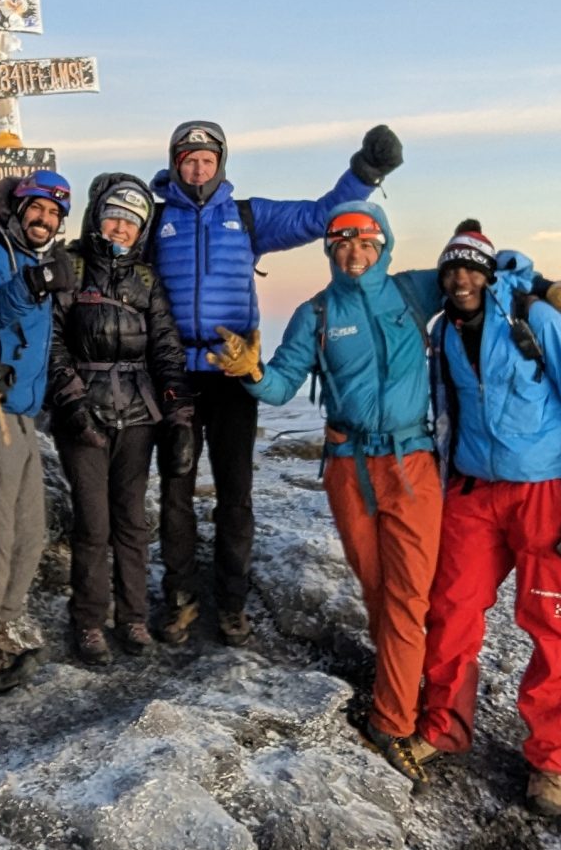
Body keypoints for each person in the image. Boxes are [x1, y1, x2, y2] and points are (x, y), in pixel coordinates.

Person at [149, 118, 406, 646]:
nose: (198, 168)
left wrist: (366, 172)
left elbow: (318, 216)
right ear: (175, 163)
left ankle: (232, 604)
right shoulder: (156, 221)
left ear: (220, 164)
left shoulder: (246, 217)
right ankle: (180, 597)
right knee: (175, 489)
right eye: (188, 159)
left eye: (207, 160)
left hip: (233, 373)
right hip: (174, 375)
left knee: (235, 492)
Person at [212, 202, 444, 785]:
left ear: (383, 244)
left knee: (408, 595)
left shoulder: (414, 291)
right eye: (342, 244)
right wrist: (251, 371)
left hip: (411, 462)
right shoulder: (315, 313)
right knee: (376, 587)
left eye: (365, 242)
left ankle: (392, 721)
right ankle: (398, 681)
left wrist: (544, 284)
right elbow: (281, 384)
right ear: (330, 251)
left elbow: (477, 275)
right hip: (348, 466)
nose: (354, 253)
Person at [413, 221, 561, 817]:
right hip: (475, 493)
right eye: (451, 269)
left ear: (490, 273)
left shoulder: (537, 322)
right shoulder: (445, 332)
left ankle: (551, 761)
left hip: (543, 495)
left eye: (471, 268)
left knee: (549, 624)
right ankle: (444, 726)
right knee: (449, 609)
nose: (460, 279)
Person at [46, 173, 190, 662]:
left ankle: (132, 618)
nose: (121, 227)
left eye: (131, 221)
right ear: (97, 217)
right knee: (92, 524)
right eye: (114, 216)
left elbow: (167, 350)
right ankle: (88, 621)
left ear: (142, 229)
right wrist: (71, 401)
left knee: (131, 521)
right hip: (83, 411)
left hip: (137, 413)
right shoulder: (71, 266)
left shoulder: (146, 281)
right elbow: (53, 340)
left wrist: (178, 414)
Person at [0, 168, 77, 687]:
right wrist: (31, 285)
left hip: (25, 414)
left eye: (54, 212)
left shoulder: (37, 261)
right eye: (37, 207)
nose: (44, 218)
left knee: (30, 534)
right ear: (18, 207)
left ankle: (2, 625)